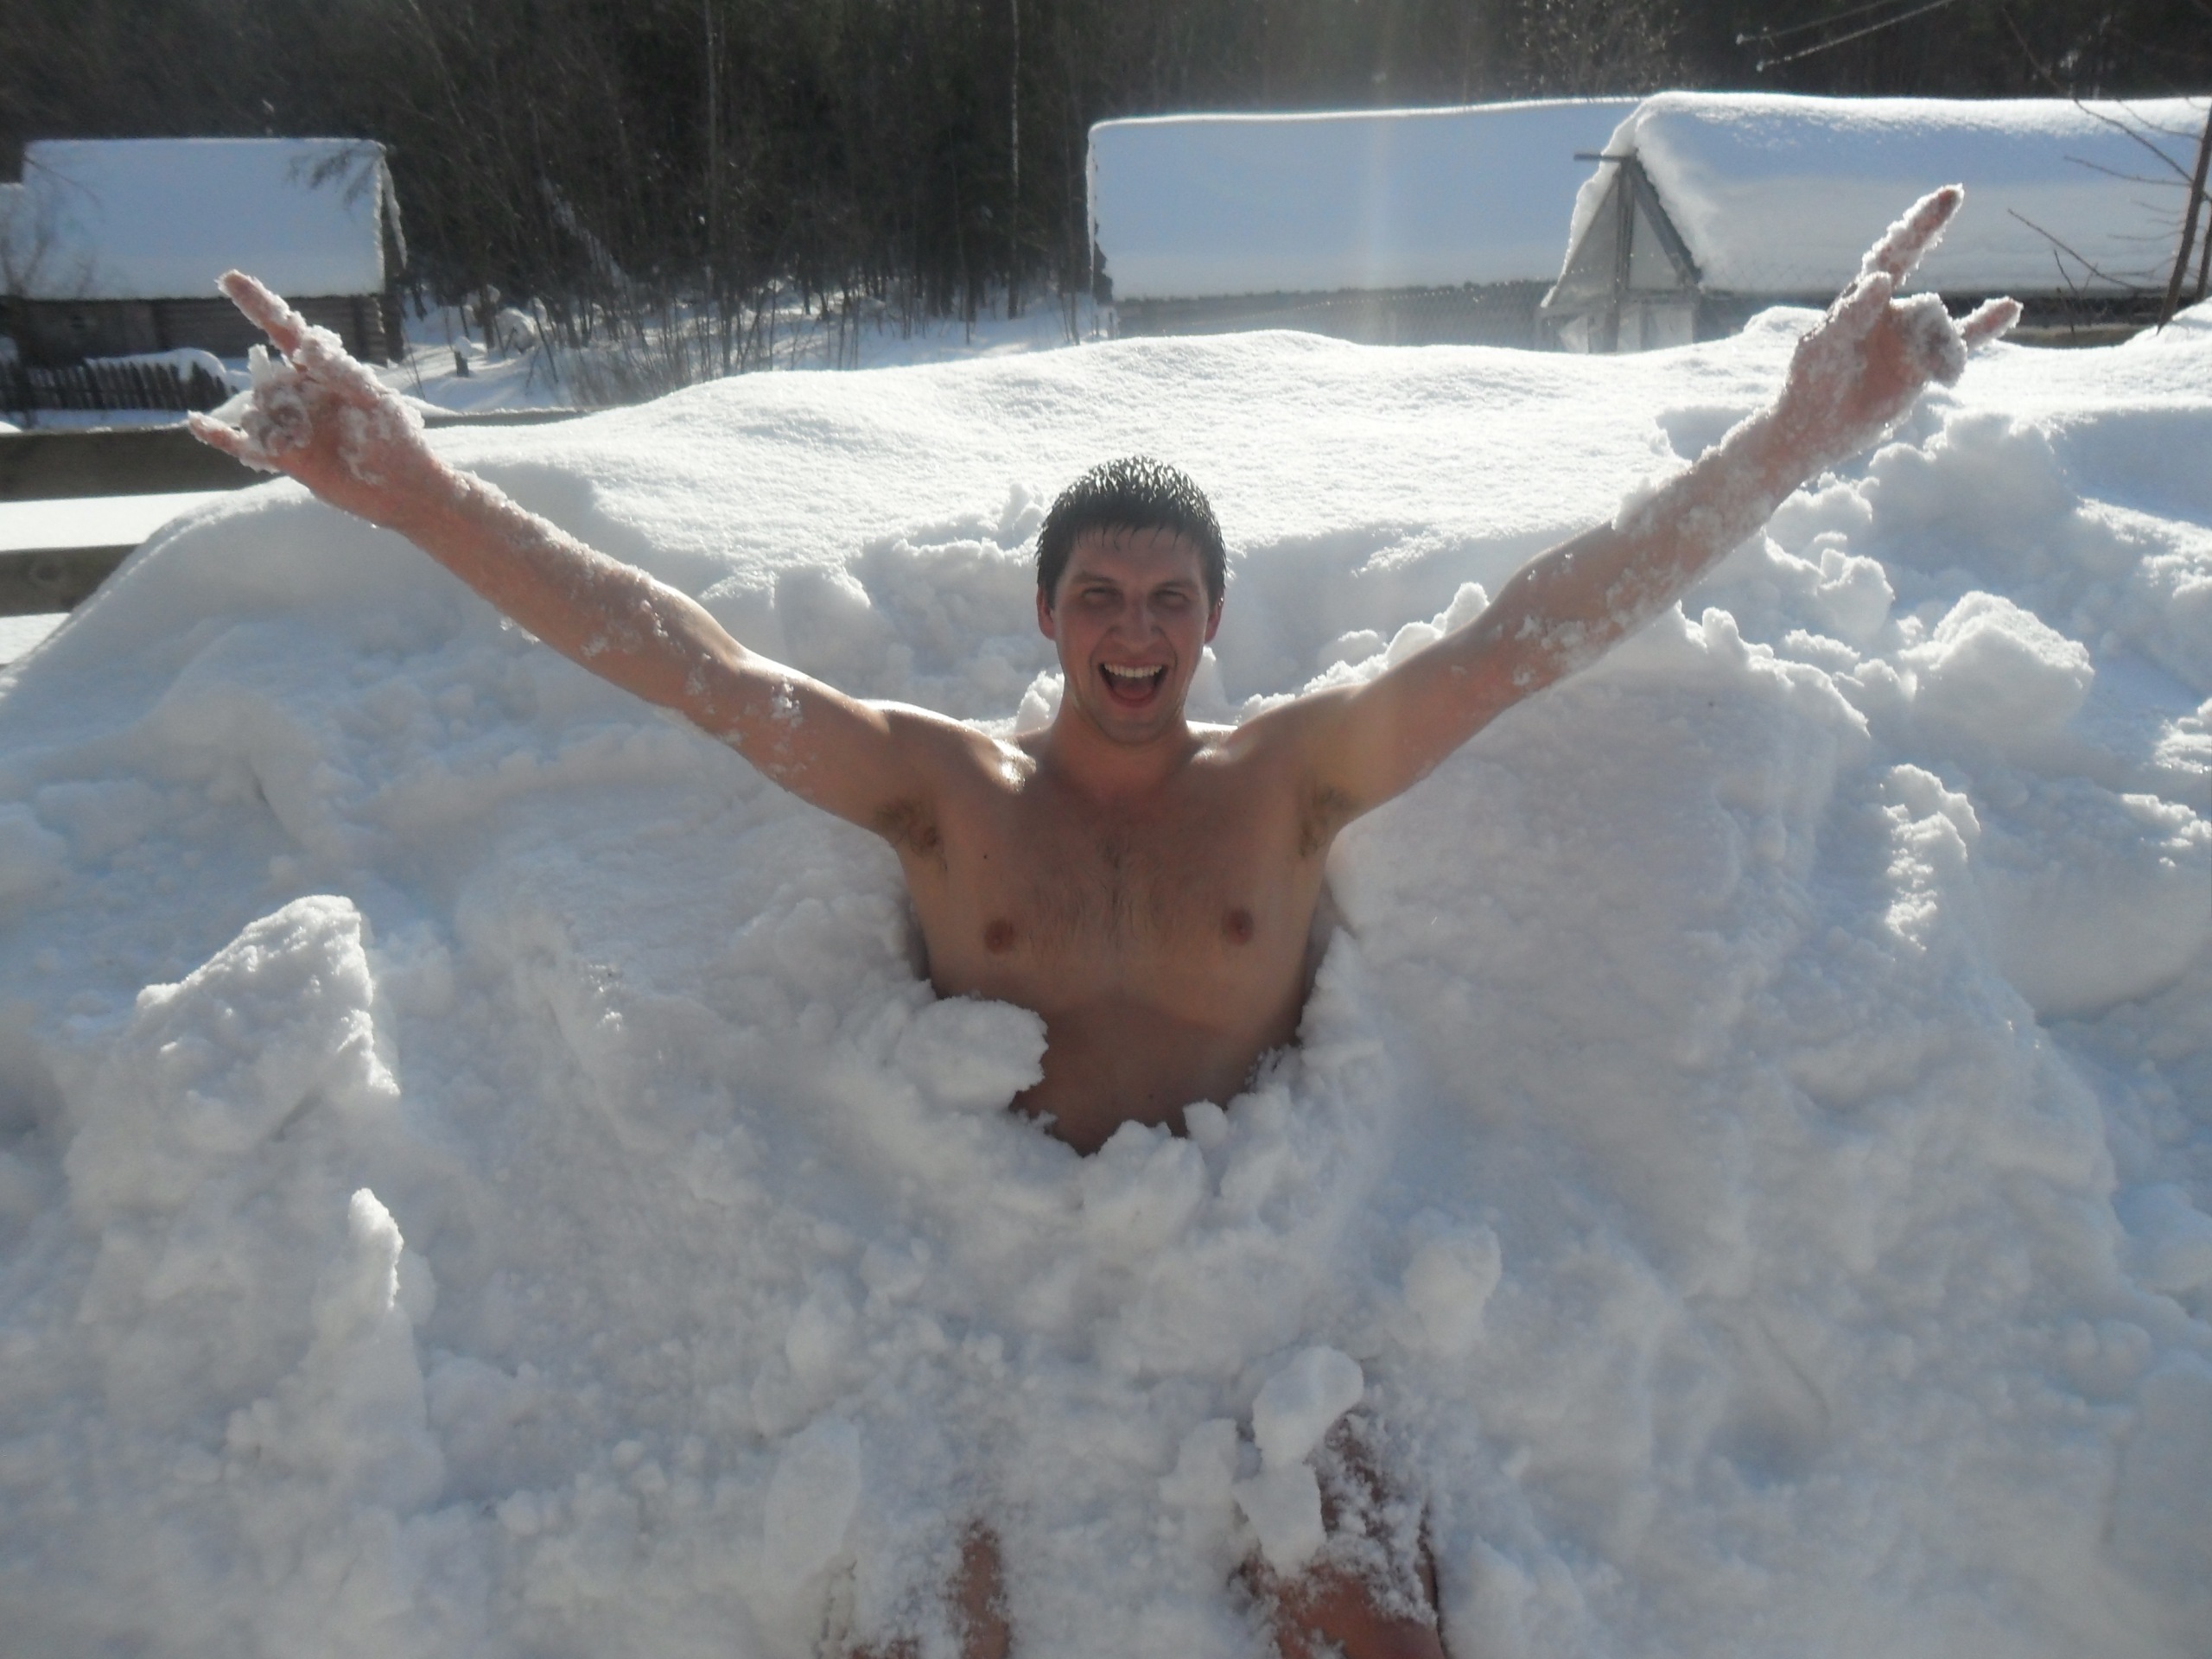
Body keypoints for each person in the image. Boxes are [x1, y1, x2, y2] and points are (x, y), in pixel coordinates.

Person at [191, 187, 2014, 1659]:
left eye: (1165, 597)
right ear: (1048, 615)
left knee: (1384, 1637)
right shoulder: (942, 794)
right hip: (983, 1325)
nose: (1131, 630)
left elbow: (1527, 634)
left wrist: (1789, 437)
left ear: (1212, 617)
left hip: (1259, 1325)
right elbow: (694, 668)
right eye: (1097, 595)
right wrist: (416, 489)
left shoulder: (1294, 781)